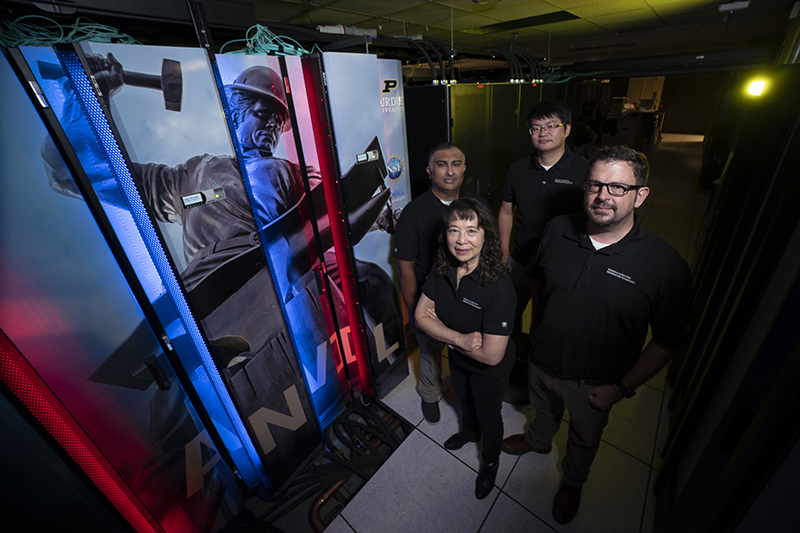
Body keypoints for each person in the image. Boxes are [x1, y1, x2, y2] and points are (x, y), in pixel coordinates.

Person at [501, 146, 693, 524]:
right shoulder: (557, 229)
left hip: (595, 384)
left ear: (641, 195)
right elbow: (540, 284)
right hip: (541, 363)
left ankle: (572, 482)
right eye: (595, 185)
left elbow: (668, 340)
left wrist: (619, 388)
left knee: (584, 440)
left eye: (618, 188)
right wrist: (538, 332)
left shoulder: (665, 266)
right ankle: (538, 441)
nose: (603, 196)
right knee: (543, 412)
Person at [415, 198, 515, 500]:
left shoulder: (499, 286)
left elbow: (491, 354)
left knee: (489, 416)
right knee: (464, 401)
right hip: (458, 357)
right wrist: (457, 339)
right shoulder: (442, 267)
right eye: (453, 230)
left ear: (486, 235)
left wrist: (440, 329)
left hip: (490, 371)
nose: (461, 241)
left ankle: (490, 460)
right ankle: (469, 432)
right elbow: (420, 317)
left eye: (471, 231)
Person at [498, 101, 588, 404]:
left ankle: (540, 386)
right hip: (521, 260)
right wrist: (503, 253)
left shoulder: (583, 171)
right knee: (508, 317)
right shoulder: (518, 169)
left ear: (567, 130)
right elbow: (507, 212)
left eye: (551, 126)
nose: (543, 133)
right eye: (536, 128)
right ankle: (509, 371)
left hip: (560, 268)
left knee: (548, 326)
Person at [394, 143, 488, 423]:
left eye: (456, 164)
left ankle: (467, 395)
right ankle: (430, 393)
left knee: (469, 351)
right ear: (429, 170)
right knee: (431, 352)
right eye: (441, 164)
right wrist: (414, 314)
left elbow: (488, 253)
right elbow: (406, 270)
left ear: (464, 169)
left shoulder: (478, 205)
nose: (450, 171)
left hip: (470, 295)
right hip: (431, 300)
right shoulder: (413, 213)